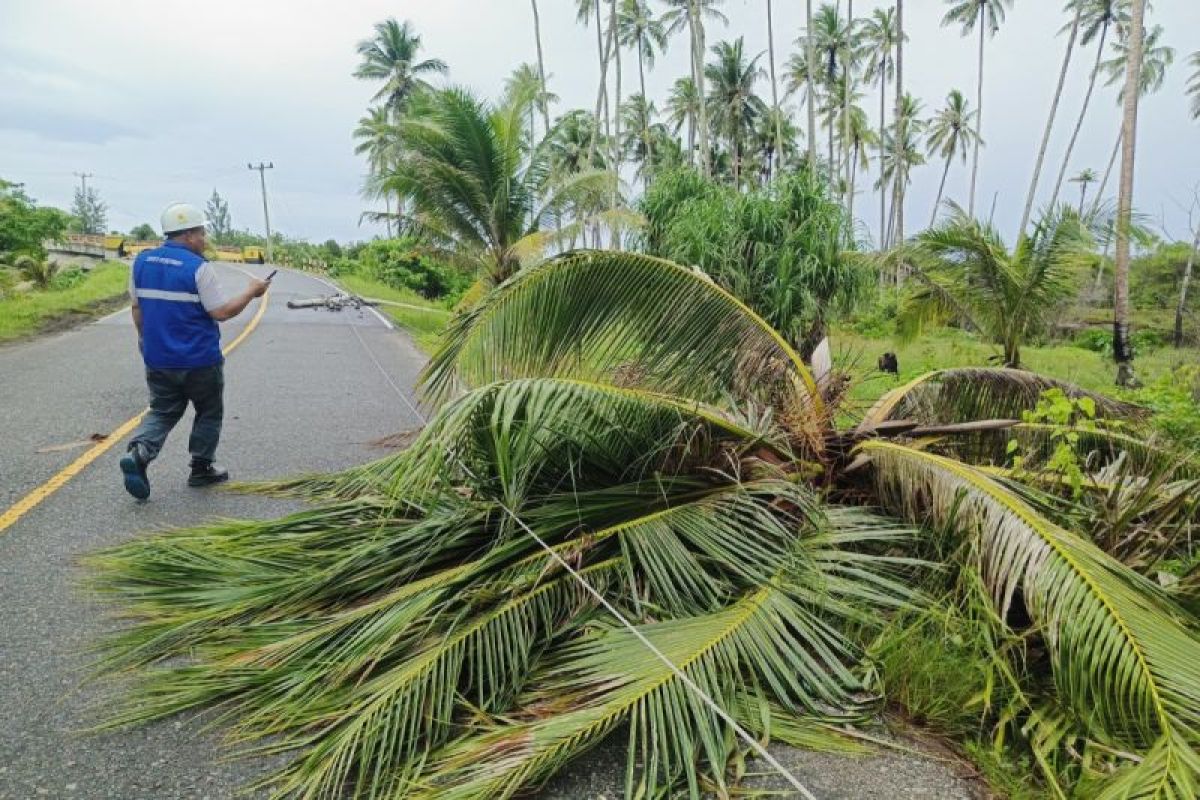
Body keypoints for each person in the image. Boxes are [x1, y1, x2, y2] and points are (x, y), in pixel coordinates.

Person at [119, 202, 270, 499]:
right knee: (209, 411)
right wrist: (252, 292)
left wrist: (144, 341)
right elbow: (222, 313)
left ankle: (140, 452)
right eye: (201, 233)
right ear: (188, 235)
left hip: (159, 357)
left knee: (162, 410)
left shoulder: (141, 262)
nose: (204, 239)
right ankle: (201, 469)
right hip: (199, 360)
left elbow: (137, 309)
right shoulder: (199, 268)